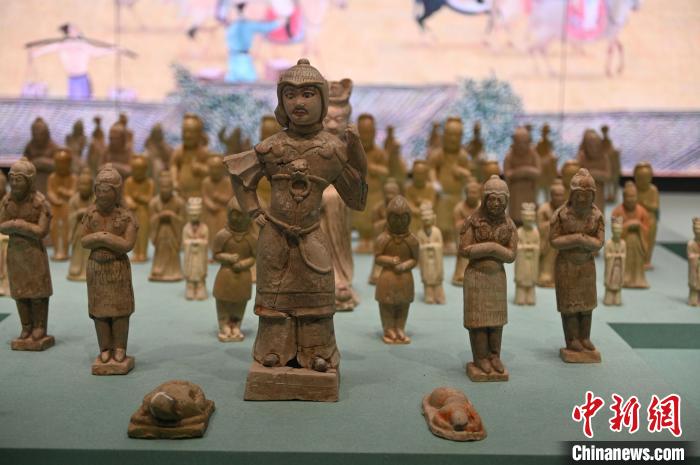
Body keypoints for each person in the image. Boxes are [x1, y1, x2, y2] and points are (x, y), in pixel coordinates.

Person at [226, 59, 367, 383]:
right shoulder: (273, 147)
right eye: (289, 95)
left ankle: (317, 351)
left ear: (322, 100)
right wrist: (255, 212)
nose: (298, 102)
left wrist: (358, 159)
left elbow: (356, 200)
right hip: (275, 236)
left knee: (317, 297)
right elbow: (240, 176)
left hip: (311, 235)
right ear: (281, 101)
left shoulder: (332, 149)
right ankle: (274, 350)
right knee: (274, 301)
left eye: (307, 94)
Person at [459, 175, 517, 378]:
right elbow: (464, 249)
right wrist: (492, 247)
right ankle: (481, 357)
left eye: (500, 200)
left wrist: (492, 249)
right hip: (476, 276)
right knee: (478, 321)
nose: (495, 204)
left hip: (496, 278)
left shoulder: (509, 224)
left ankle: (494, 356)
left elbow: (511, 255)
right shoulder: (473, 221)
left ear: (506, 201)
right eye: (492, 199)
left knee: (496, 320)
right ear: (484, 200)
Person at [80, 164, 137, 370]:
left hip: (117, 268)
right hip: (97, 268)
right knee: (100, 311)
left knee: (120, 310)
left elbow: (127, 244)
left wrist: (103, 238)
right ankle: (105, 348)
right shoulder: (91, 214)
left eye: (107, 191)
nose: (102, 195)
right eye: (99, 190)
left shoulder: (126, 216)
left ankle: (119, 347)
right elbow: (84, 241)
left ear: (117, 192)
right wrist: (101, 237)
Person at [550, 168, 605, 361]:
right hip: (566, 265)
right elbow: (554, 240)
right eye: (579, 196)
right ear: (572, 195)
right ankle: (572, 339)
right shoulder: (561, 214)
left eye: (587, 196)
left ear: (593, 196)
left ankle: (585, 337)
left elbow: (599, 242)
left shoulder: (596, 216)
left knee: (587, 305)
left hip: (586, 265)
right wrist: (576, 239)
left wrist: (584, 240)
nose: (582, 200)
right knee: (570, 306)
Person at [0, 158, 54, 350]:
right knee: (20, 293)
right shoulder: (7, 201)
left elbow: (42, 231)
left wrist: (19, 225)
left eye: (19, 179)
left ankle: (39, 327)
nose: (14, 183)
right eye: (12, 179)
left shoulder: (40, 203)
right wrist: (17, 225)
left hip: (34, 253)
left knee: (38, 293)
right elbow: (1, 225)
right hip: (16, 254)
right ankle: (26, 327)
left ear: (29, 181)